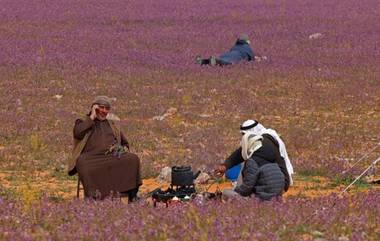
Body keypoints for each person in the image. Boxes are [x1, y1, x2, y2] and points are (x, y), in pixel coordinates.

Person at [67, 96, 142, 201]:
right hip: (92, 158)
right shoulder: (83, 121)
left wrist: (121, 149)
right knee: (82, 162)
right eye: (101, 107)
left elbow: (125, 143)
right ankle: (92, 197)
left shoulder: (111, 124)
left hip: (112, 156)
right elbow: (78, 133)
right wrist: (92, 117)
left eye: (107, 109)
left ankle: (132, 196)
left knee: (133, 159)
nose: (104, 111)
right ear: (94, 107)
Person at [216, 120, 294, 198]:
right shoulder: (261, 142)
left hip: (272, 189)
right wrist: (226, 165)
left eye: (244, 134)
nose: (243, 137)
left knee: (246, 165)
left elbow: (249, 183)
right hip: (278, 186)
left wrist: (236, 191)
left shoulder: (261, 147)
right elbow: (240, 153)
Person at [221, 132, 285, 200]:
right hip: (277, 198)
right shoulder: (270, 157)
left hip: (261, 199)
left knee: (226, 192)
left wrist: (235, 189)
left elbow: (247, 188)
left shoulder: (252, 161)